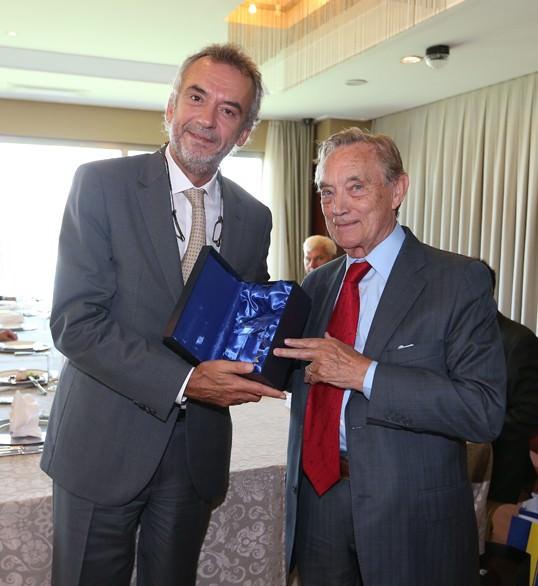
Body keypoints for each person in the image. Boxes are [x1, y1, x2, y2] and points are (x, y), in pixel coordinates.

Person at [42, 43, 285, 586]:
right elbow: (75, 322)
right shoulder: (100, 185)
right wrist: (185, 381)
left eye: (228, 109)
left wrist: (279, 348)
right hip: (101, 444)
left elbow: (244, 317)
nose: (207, 119)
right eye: (196, 98)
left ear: (244, 133)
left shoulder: (254, 216)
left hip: (195, 454)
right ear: (171, 107)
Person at [274, 127, 506, 586]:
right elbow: (303, 379)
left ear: (397, 190)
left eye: (355, 187)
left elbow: (483, 411)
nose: (337, 207)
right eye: (327, 192)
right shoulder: (317, 284)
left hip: (411, 518)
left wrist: (365, 374)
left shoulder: (457, 280)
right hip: (319, 506)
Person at [481, 262, 538, 505]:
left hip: (501, 472)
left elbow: (529, 413)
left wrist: (478, 431)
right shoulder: (454, 337)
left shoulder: (519, 341)